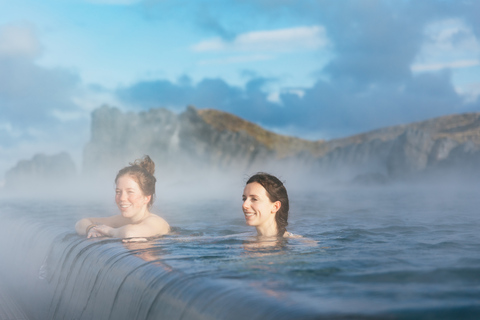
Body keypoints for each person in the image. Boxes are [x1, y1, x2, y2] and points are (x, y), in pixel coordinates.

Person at [75, 155, 170, 240]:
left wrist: (110, 231)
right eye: (118, 192)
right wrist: (91, 229)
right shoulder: (122, 221)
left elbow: (130, 233)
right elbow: (81, 223)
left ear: (146, 198)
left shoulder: (156, 222)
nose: (122, 198)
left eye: (130, 192)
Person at [242, 172, 296, 238]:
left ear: (275, 207)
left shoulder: (301, 244)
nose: (244, 205)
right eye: (244, 199)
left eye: (254, 199)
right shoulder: (241, 240)